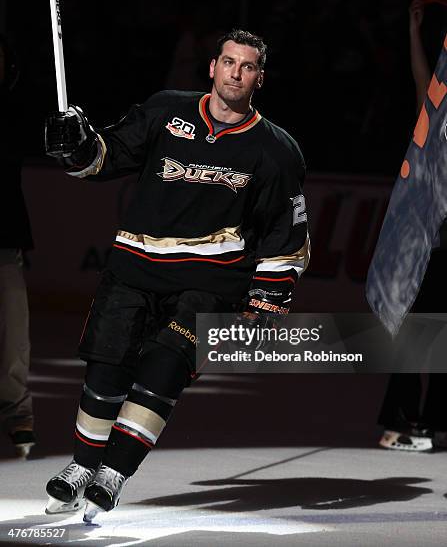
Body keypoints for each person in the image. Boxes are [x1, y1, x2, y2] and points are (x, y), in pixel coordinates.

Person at [43, 29, 310, 521]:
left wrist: (265, 301)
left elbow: (285, 235)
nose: (235, 72)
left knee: (161, 376)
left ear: (259, 78)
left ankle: (113, 474)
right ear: (212, 66)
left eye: (246, 66)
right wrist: (78, 149)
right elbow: (107, 157)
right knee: (105, 371)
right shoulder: (167, 110)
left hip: (210, 285)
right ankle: (83, 466)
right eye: (228, 62)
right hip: (134, 268)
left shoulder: (276, 152)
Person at [378, 0, 447, 452]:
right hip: (425, 243)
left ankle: (432, 422)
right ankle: (401, 421)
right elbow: (424, 84)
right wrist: (413, 33)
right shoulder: (437, 116)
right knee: (412, 331)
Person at [0, 34, 35, 459]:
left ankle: (17, 412)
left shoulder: (12, 112)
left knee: (13, 335)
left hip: (4, 239)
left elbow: (22, 145)